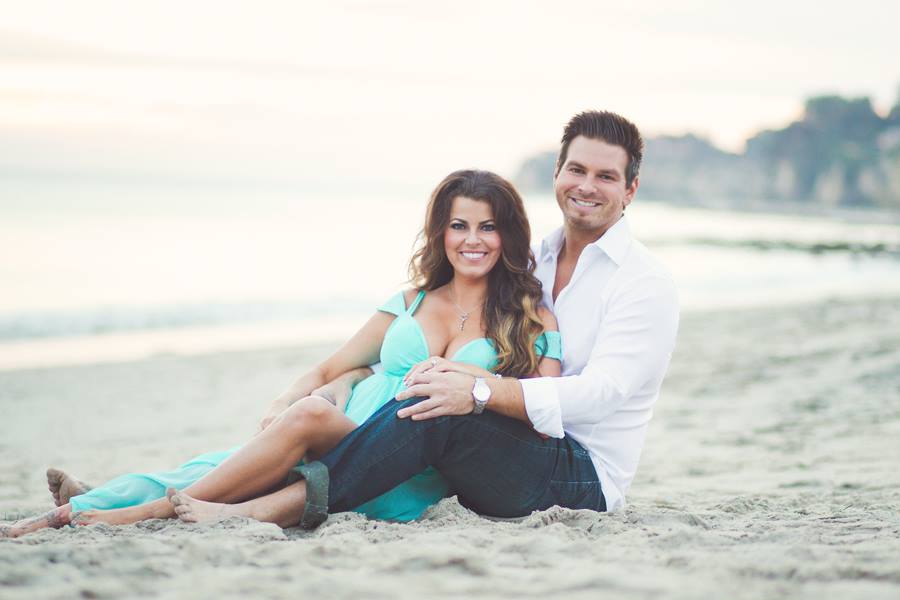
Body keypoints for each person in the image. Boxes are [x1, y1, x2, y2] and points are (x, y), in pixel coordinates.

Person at [161, 109, 679, 527]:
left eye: (606, 176)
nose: (587, 185)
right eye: (578, 170)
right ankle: (156, 497)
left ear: (630, 190)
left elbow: (603, 393)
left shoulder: (642, 283)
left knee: (446, 407)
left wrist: (478, 390)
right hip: (504, 445)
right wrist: (357, 374)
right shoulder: (532, 261)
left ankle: (270, 508)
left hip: (581, 475)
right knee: (426, 402)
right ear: (558, 174)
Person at [1, 170, 561, 538]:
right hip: (333, 426)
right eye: (459, 225)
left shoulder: (528, 314)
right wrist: (283, 401)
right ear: (440, 232)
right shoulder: (412, 300)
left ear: (508, 236)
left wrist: (472, 384)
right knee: (214, 467)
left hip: (401, 459)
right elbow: (330, 368)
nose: (473, 240)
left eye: (488, 228)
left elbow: (544, 411)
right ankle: (81, 505)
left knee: (294, 429)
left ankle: (142, 513)